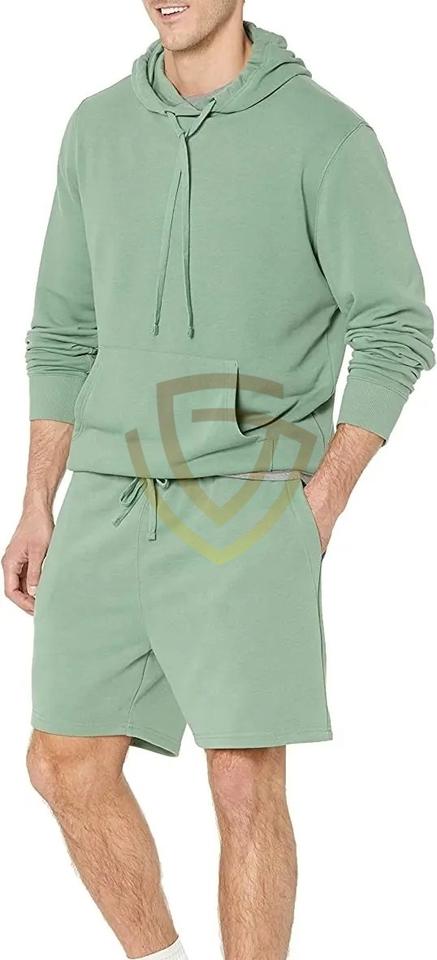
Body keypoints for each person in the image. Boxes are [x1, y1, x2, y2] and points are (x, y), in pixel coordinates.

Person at [2, 2, 434, 959]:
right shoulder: (95, 127)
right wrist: (36, 501)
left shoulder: (327, 137)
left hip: (245, 496)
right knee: (64, 763)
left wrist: (322, 500)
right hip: (107, 490)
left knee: (241, 779)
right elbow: (63, 330)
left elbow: (396, 328)